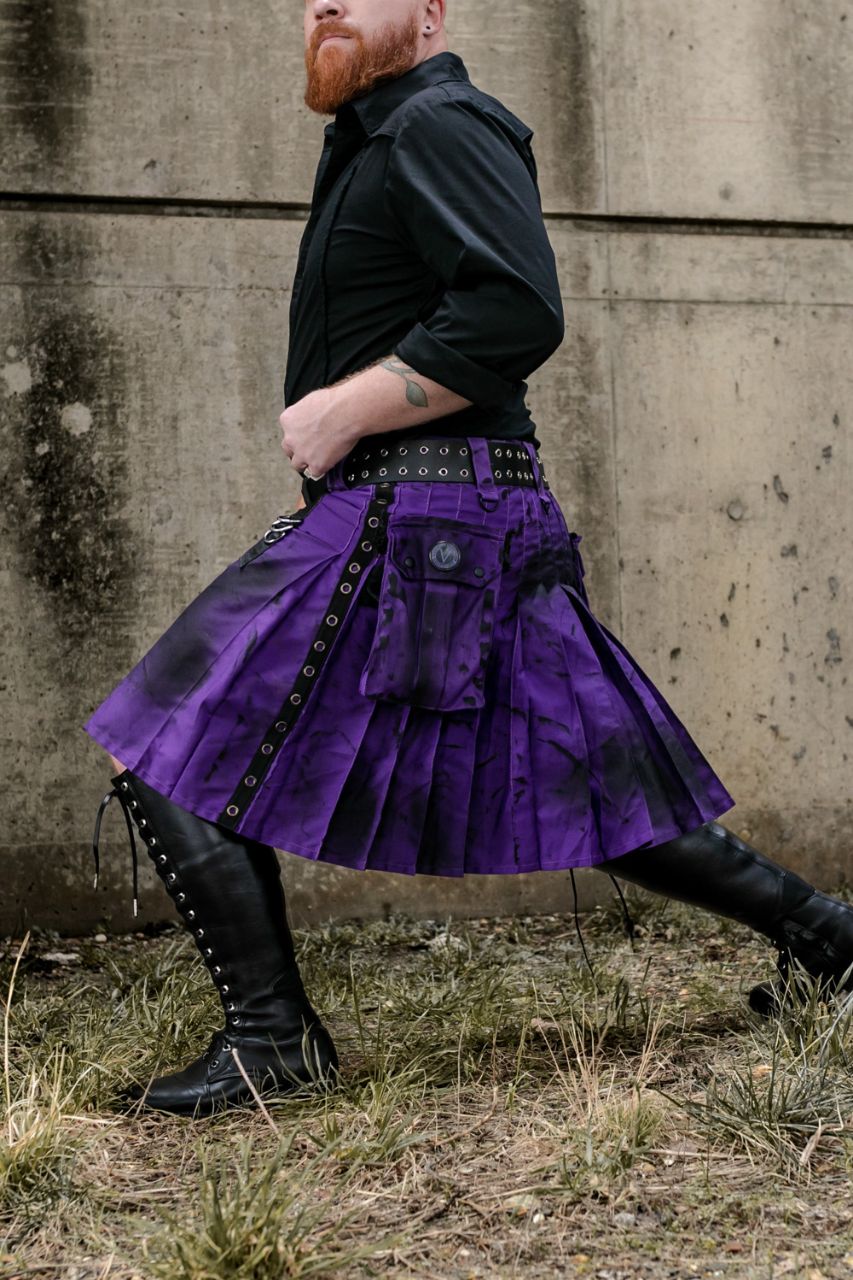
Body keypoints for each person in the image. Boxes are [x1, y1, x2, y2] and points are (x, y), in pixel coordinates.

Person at [85, 0, 853, 1117]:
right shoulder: (380, 130)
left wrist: (343, 411)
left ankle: (271, 1037)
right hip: (445, 511)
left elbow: (513, 308)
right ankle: (829, 935)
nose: (326, 4)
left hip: (423, 509)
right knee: (583, 776)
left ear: (433, 9)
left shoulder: (441, 121)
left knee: (166, 740)